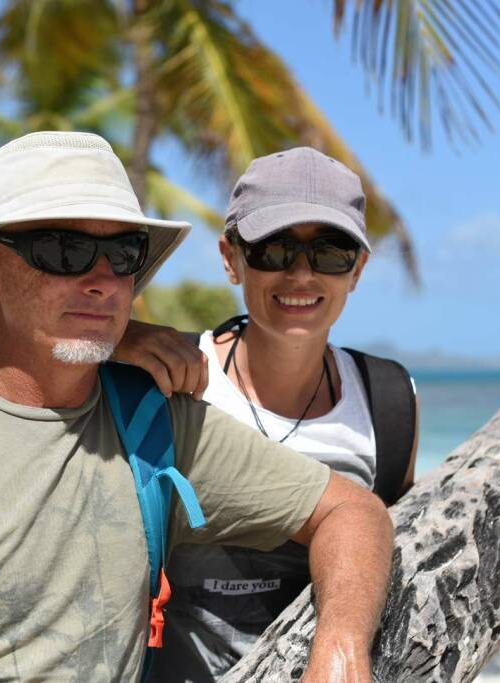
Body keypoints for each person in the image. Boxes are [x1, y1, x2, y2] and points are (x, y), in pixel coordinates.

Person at [0, 132, 394, 682]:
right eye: (64, 250)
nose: (102, 279)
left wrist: (339, 646)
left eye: (124, 253)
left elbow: (352, 512)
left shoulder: (153, 424)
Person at [115, 147, 418, 681]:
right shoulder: (164, 377)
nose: (301, 274)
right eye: (273, 250)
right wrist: (111, 337)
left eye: (330, 252)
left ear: (358, 270)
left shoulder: (390, 400)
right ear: (230, 258)